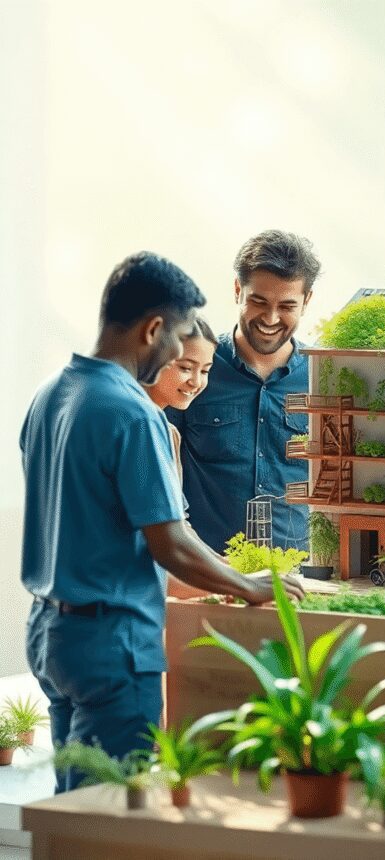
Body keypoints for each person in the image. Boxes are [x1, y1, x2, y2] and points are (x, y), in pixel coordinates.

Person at [20, 252, 305, 792]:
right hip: (112, 641)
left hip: (50, 632)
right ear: (152, 329)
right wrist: (249, 586)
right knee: (110, 806)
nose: (180, 353)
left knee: (72, 803)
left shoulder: (52, 393)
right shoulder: (134, 413)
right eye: (176, 340)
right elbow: (169, 542)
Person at [168, 230, 321, 553]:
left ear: (307, 301)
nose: (270, 318)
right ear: (238, 290)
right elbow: (160, 469)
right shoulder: (193, 371)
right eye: (258, 301)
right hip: (208, 575)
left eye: (287, 306)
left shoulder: (326, 380)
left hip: (302, 577)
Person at [144, 316, 223, 599]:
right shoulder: (130, 427)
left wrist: (227, 568)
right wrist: (239, 583)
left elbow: (180, 525)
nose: (196, 381)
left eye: (205, 370)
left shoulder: (170, 434)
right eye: (186, 368)